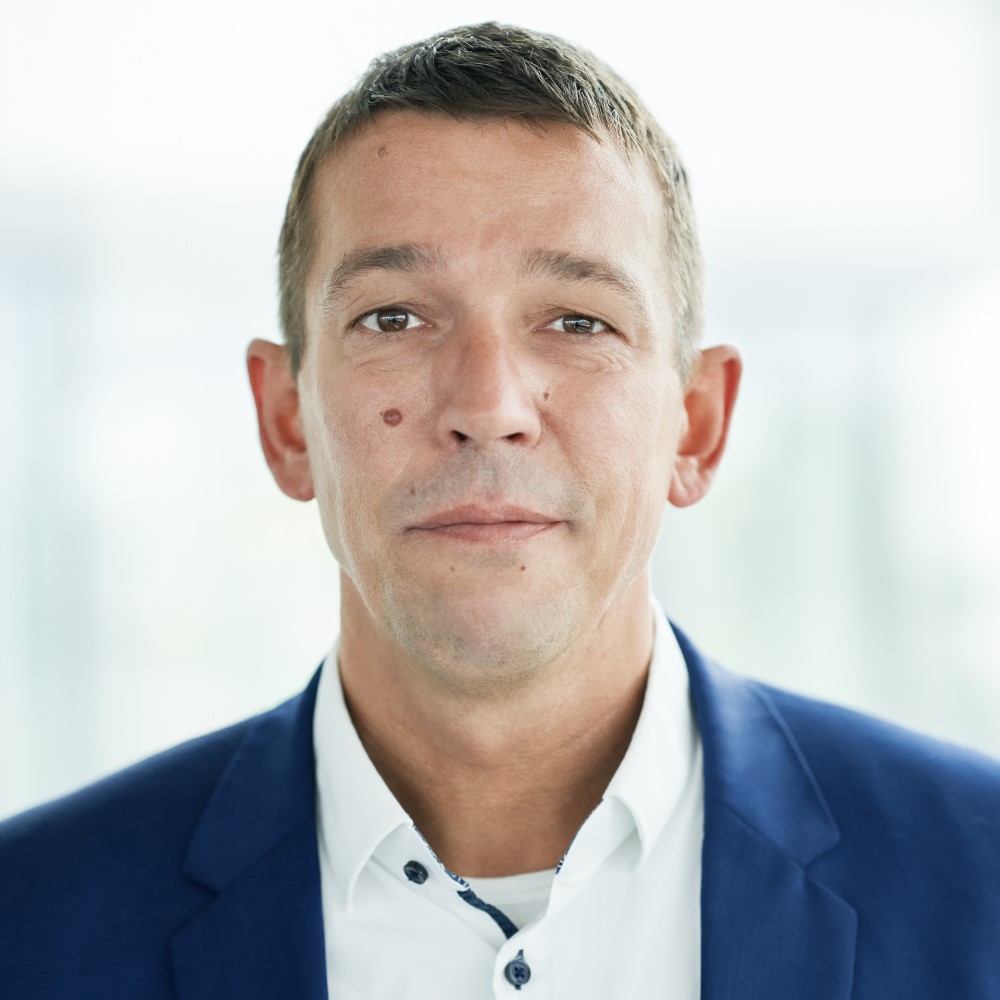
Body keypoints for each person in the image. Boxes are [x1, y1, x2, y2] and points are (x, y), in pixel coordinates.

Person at [1, 21, 998, 1000]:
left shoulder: (979, 878)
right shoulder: (28, 922)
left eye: (578, 321)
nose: (487, 406)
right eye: (393, 316)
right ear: (285, 420)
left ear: (695, 424)